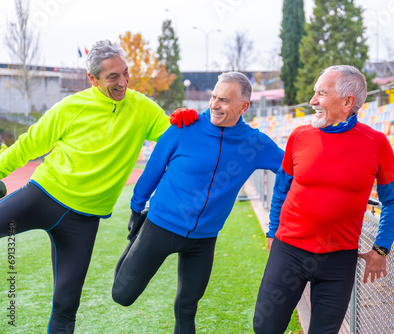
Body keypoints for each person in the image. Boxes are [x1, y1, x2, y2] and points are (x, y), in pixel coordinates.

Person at [0, 40, 196, 333]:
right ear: (92, 79)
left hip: (83, 221)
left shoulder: (142, 108)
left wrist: (189, 122)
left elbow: (176, 138)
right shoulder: (70, 107)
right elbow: (27, 146)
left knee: (66, 306)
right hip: (42, 196)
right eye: (113, 77)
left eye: (125, 73)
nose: (123, 82)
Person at [112, 72, 285, 333]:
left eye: (224, 100)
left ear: (243, 106)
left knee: (187, 307)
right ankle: (135, 244)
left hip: (203, 239)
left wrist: (277, 224)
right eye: (214, 96)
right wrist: (137, 208)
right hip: (160, 225)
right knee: (122, 295)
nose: (214, 104)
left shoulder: (255, 143)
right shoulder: (184, 128)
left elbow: (290, 170)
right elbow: (153, 171)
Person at [253, 65, 394, 334]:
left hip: (338, 260)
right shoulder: (299, 136)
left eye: (321, 94)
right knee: (265, 327)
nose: (313, 101)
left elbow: (393, 200)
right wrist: (273, 231)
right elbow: (281, 188)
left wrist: (381, 248)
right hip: (289, 251)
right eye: (315, 93)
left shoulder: (376, 143)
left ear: (347, 102)